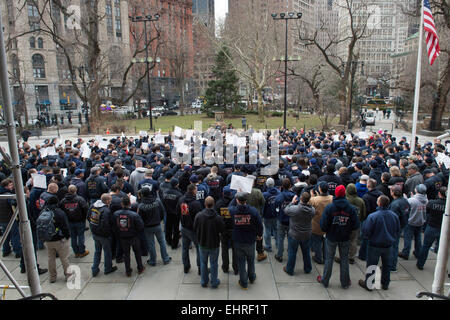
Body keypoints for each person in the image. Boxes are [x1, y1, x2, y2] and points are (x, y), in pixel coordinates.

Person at [317, 185, 359, 289]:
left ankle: (325, 280)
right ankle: (344, 282)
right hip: (344, 237)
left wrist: (328, 230)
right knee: (344, 259)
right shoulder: (350, 208)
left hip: (332, 237)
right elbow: (356, 225)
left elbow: (323, 225)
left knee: (329, 258)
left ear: (335, 194)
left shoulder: (330, 208)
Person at [359, 195, 400, 291]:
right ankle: (385, 284)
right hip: (388, 245)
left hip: (375, 245)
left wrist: (368, 238)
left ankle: (369, 284)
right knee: (387, 265)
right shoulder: (394, 216)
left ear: (379, 203)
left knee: (372, 265)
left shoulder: (373, 216)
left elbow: (366, 231)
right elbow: (397, 230)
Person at [229, 192, 264, 290]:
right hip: (250, 240)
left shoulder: (233, 211)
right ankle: (252, 277)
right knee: (251, 261)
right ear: (246, 201)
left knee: (241, 262)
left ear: (237, 201)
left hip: (238, 240)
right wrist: (260, 235)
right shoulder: (253, 211)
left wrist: (235, 196)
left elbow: (229, 207)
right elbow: (259, 225)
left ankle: (243, 282)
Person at [194, 196, 225, 288]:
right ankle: (214, 282)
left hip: (202, 244)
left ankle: (204, 281)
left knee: (203, 263)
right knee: (214, 263)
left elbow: (195, 228)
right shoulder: (218, 218)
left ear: (205, 204)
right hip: (214, 244)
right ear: (213, 204)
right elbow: (222, 230)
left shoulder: (199, 216)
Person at [41, 196, 73, 283]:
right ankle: (68, 276)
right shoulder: (60, 213)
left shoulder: (43, 212)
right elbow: (65, 226)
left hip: (48, 240)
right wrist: (67, 236)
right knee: (64, 259)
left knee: (50, 259)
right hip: (59, 239)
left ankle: (52, 277)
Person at [137, 186, 171, 266]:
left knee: (151, 244)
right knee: (162, 242)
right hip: (157, 225)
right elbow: (162, 212)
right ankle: (165, 258)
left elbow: (139, 218)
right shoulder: (157, 201)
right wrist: (159, 220)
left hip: (147, 227)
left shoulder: (141, 206)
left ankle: (153, 261)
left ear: (142, 195)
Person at [283, 192, 314, 275]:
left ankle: (290, 269)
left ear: (300, 199)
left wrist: (292, 202)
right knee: (306, 252)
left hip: (294, 234)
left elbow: (286, 210)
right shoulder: (312, 210)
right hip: (306, 234)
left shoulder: (295, 209)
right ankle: (308, 268)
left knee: (292, 252)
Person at [113, 196, 145, 277]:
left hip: (123, 237)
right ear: (130, 204)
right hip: (133, 237)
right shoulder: (134, 215)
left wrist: (119, 234)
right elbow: (141, 226)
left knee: (126, 254)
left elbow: (114, 226)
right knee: (137, 253)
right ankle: (140, 268)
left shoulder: (116, 214)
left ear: (121, 204)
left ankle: (128, 271)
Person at [416, 187, 446, 270]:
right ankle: (441, 267)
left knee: (425, 246)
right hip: (443, 229)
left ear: (439, 193)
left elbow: (427, 213)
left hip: (431, 227)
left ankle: (420, 264)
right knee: (443, 249)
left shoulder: (432, 203)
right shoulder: (447, 205)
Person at [88, 193, 118, 276]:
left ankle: (94, 269)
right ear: (107, 201)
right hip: (104, 235)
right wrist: (108, 233)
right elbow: (106, 224)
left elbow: (88, 217)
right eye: (110, 200)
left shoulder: (93, 206)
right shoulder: (106, 211)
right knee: (107, 251)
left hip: (95, 233)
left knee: (97, 251)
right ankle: (108, 268)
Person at [177, 183, 203, 274]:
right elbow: (200, 217)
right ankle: (200, 267)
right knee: (199, 248)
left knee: (185, 248)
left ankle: (186, 266)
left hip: (184, 227)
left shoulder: (181, 200)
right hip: (194, 230)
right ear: (193, 191)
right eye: (196, 189)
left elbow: (178, 211)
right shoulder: (196, 204)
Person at [399, 184, 428, 260]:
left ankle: (405, 253)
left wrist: (406, 199)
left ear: (416, 190)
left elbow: (407, 209)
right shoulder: (426, 200)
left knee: (408, 238)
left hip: (411, 221)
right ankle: (418, 252)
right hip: (420, 221)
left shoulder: (411, 200)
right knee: (418, 237)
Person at [59, 185, 89, 257]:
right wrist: (85, 217)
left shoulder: (63, 201)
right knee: (81, 236)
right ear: (75, 190)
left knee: (73, 237)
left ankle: (76, 252)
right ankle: (82, 251)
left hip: (70, 221)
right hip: (79, 221)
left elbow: (61, 211)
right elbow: (85, 209)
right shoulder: (80, 199)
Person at [309, 182, 333, 264]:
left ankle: (318, 258)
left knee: (317, 242)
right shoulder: (332, 198)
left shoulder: (314, 200)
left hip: (316, 225)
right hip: (328, 225)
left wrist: (312, 197)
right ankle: (326, 257)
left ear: (320, 189)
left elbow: (309, 209)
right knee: (326, 241)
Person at [215, 186, 237, 274]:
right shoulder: (235, 203)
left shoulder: (219, 203)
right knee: (235, 249)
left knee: (224, 249)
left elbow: (216, 216)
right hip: (233, 228)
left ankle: (225, 267)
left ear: (223, 193)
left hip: (223, 229)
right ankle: (236, 268)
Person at [342, 183, 366, 264]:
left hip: (345, 223)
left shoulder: (345, 200)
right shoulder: (360, 200)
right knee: (353, 240)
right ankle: (351, 257)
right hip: (356, 223)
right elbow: (363, 213)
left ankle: (343, 256)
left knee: (344, 240)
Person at [274, 178, 296, 263]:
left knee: (280, 238)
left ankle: (279, 255)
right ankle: (290, 253)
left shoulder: (279, 197)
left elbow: (275, 208)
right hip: (291, 220)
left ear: (282, 186)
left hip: (281, 220)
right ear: (290, 185)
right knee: (290, 238)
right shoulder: (294, 196)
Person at [388, 186, 410, 272]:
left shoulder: (395, 205)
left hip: (395, 228)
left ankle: (392, 266)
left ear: (393, 192)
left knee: (393, 246)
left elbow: (393, 219)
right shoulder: (405, 201)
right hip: (401, 225)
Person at [162, 178, 183, 249]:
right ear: (177, 184)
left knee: (168, 227)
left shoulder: (165, 192)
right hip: (176, 213)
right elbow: (180, 205)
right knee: (176, 229)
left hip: (168, 212)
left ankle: (168, 240)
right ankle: (175, 244)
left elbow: (163, 202)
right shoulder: (179, 194)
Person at [262, 178, 281, 253]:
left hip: (267, 215)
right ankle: (278, 244)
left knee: (267, 230)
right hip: (276, 214)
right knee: (276, 230)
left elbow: (262, 205)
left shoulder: (265, 194)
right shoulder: (278, 193)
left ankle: (268, 246)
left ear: (266, 185)